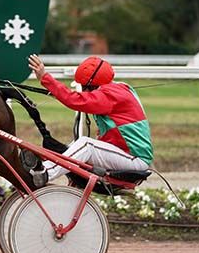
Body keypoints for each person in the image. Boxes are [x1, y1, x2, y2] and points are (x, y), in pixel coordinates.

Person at [26, 54, 153, 187]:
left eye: (85, 87)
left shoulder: (112, 94)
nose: (84, 91)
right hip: (124, 154)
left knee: (86, 146)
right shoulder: (116, 89)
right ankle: (42, 165)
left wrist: (45, 78)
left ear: (93, 84)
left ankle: (46, 173)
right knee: (72, 150)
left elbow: (75, 100)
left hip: (135, 160)